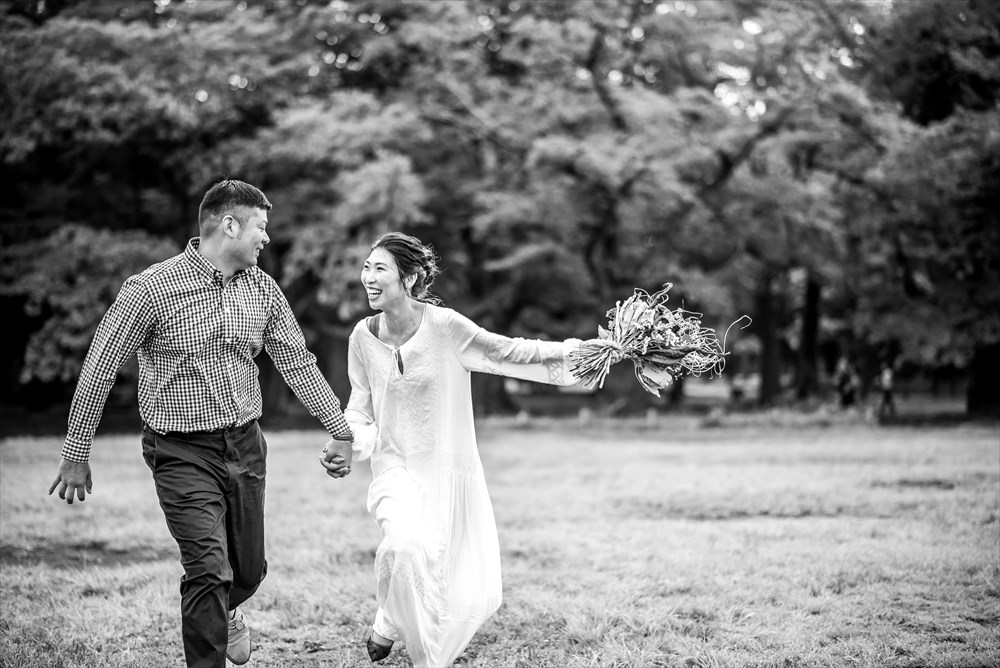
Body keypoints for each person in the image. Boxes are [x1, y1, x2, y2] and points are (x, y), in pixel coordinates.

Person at [47, 179, 355, 668]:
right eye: (260, 227)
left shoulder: (263, 288)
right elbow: (100, 368)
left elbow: (296, 361)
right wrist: (76, 452)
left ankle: (227, 609)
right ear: (229, 225)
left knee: (246, 572)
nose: (266, 237)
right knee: (209, 570)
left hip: (245, 444)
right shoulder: (151, 289)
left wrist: (339, 429)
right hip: (180, 451)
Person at [320, 232, 598, 667]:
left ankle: (395, 629)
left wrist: (580, 353)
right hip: (394, 471)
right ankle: (403, 633)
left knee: (436, 572)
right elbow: (360, 405)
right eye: (367, 267)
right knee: (402, 546)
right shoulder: (362, 336)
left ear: (410, 278)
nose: (367, 277)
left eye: (380, 269)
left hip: (444, 473)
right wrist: (347, 439)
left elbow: (508, 351)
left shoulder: (445, 327)